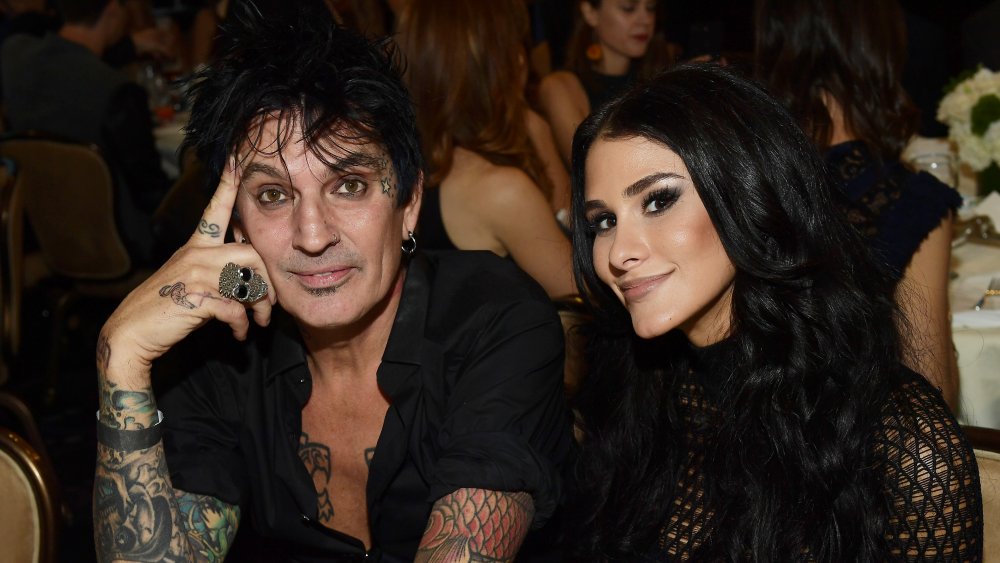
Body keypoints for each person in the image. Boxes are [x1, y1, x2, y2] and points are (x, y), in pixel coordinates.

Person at [91, 2, 574, 561]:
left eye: (349, 185)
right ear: (237, 223)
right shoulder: (218, 355)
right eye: (273, 195)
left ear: (409, 202)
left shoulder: (495, 319)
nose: (313, 235)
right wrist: (120, 357)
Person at [566, 64, 982, 560]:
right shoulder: (635, 393)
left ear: (749, 194)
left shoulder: (902, 448)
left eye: (658, 201)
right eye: (604, 221)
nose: (618, 252)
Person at [754, 0, 963, 409]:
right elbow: (932, 398)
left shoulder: (738, 176)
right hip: (851, 462)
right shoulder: (909, 202)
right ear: (880, 46)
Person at [398, 0, 576, 299]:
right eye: (515, 44)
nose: (523, 59)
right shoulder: (497, 188)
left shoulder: (411, 159)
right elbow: (582, 292)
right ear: (498, 61)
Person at [1, 0, 171, 265]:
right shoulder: (119, 93)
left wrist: (128, 47)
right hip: (121, 248)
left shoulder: (13, 57)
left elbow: (65, 69)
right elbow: (152, 193)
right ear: (113, 10)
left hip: (47, 238)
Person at [537, 0, 667, 166]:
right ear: (590, 13)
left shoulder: (659, 80)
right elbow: (591, 165)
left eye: (651, 8)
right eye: (628, 8)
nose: (645, 20)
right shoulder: (560, 87)